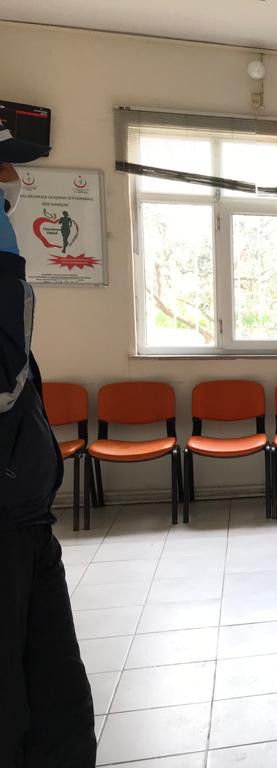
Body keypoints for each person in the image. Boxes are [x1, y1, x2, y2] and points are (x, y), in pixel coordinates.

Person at [0, 129, 97, 765]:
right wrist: (6, 274)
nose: (12, 185)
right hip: (6, 525)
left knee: (58, 699)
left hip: (28, 519)